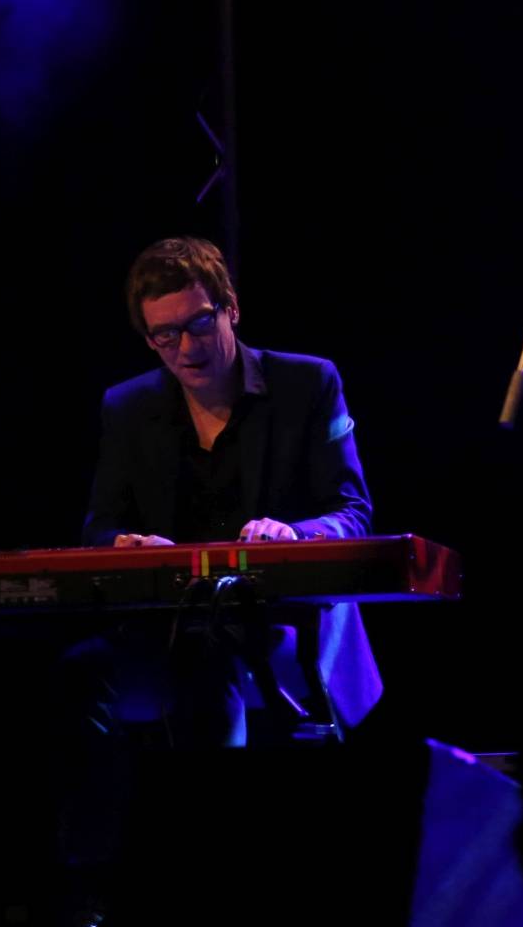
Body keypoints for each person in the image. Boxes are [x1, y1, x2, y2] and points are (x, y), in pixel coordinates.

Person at [77, 234, 381, 744]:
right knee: (79, 673)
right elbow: (100, 526)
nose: (187, 348)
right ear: (149, 339)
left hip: (287, 620)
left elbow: (352, 510)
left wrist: (292, 534)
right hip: (170, 626)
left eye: (199, 323)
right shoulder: (127, 408)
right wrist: (126, 544)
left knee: (209, 655)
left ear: (230, 310)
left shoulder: (308, 384)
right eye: (165, 335)